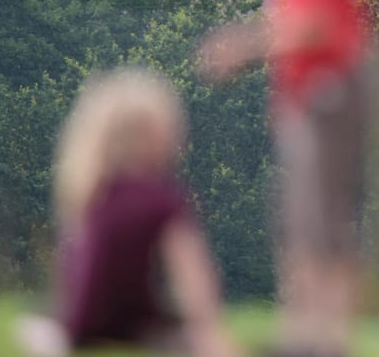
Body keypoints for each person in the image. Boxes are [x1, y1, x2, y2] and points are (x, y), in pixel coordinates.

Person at [200, 0, 374, 357]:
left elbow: (315, 24)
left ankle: (311, 339)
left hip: (324, 87)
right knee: (328, 222)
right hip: (343, 83)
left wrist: (243, 48)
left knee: (309, 222)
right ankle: (322, 336)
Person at [18, 68, 239, 357]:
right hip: (139, 322)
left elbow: (72, 264)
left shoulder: (88, 191)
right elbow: (192, 275)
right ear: (153, 134)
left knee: (34, 322)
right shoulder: (163, 200)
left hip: (83, 323)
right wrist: (209, 332)